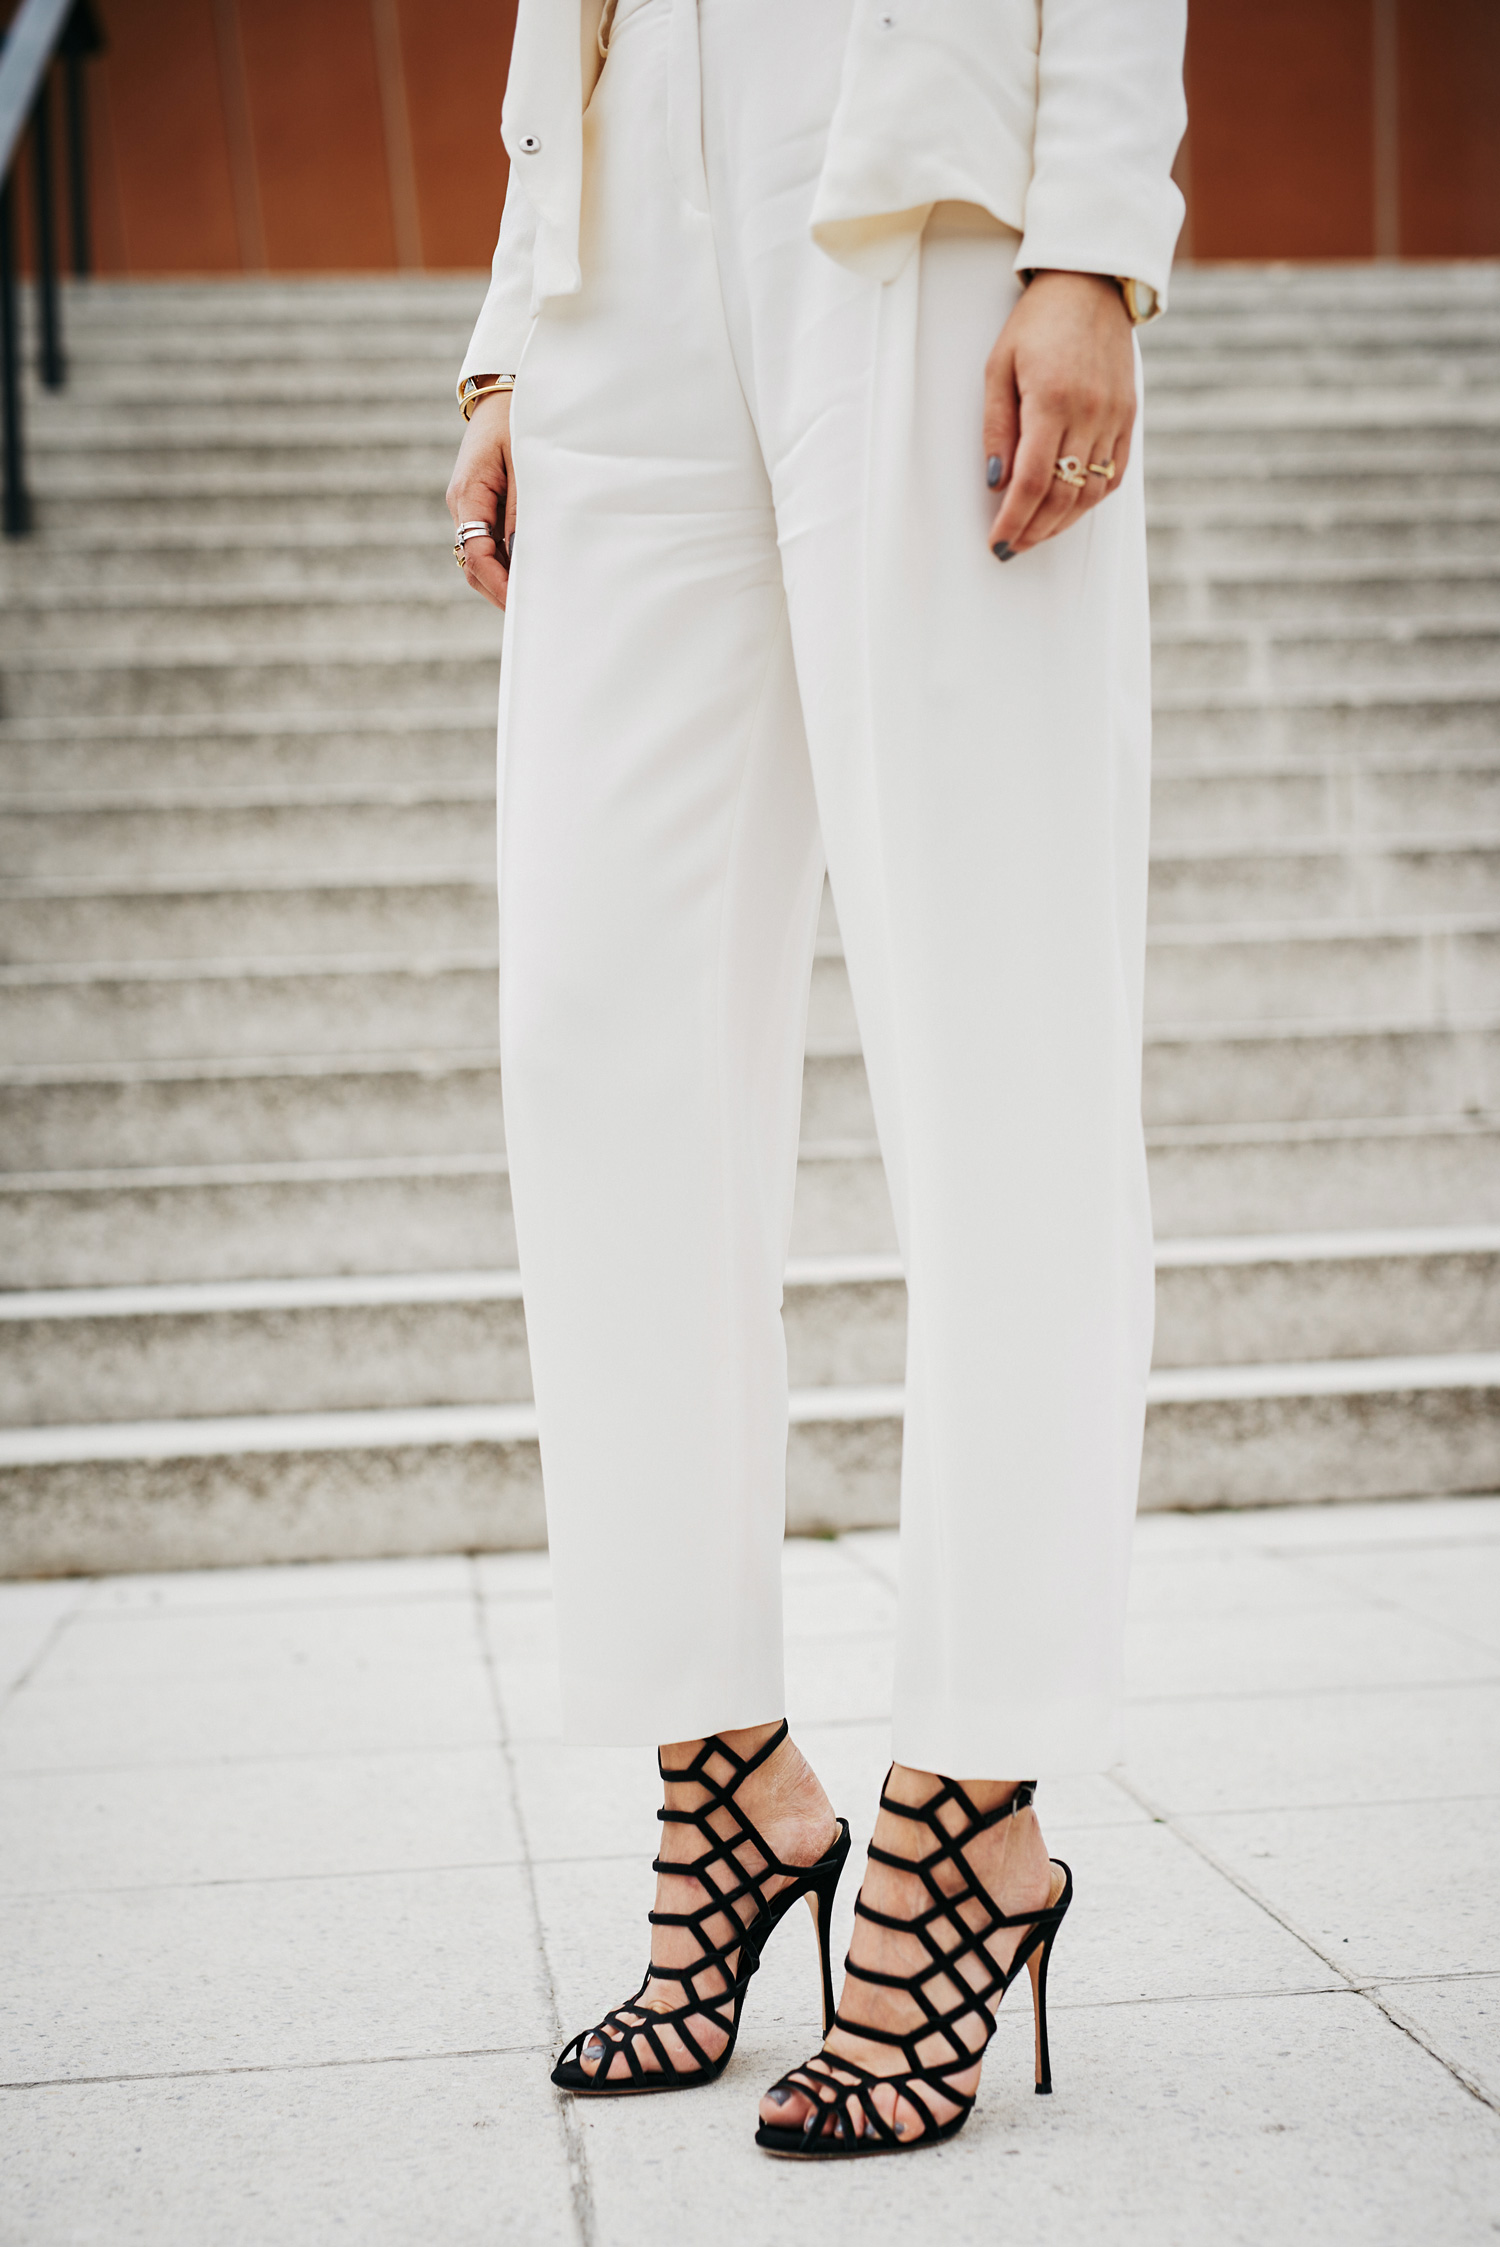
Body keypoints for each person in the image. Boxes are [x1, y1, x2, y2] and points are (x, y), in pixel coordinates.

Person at [447, 0, 1185, 2158]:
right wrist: (512, 317)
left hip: (924, 168)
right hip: (612, 226)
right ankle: (725, 1762)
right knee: (599, 1042)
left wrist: (1092, 235)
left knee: (1000, 1032)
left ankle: (975, 1808)